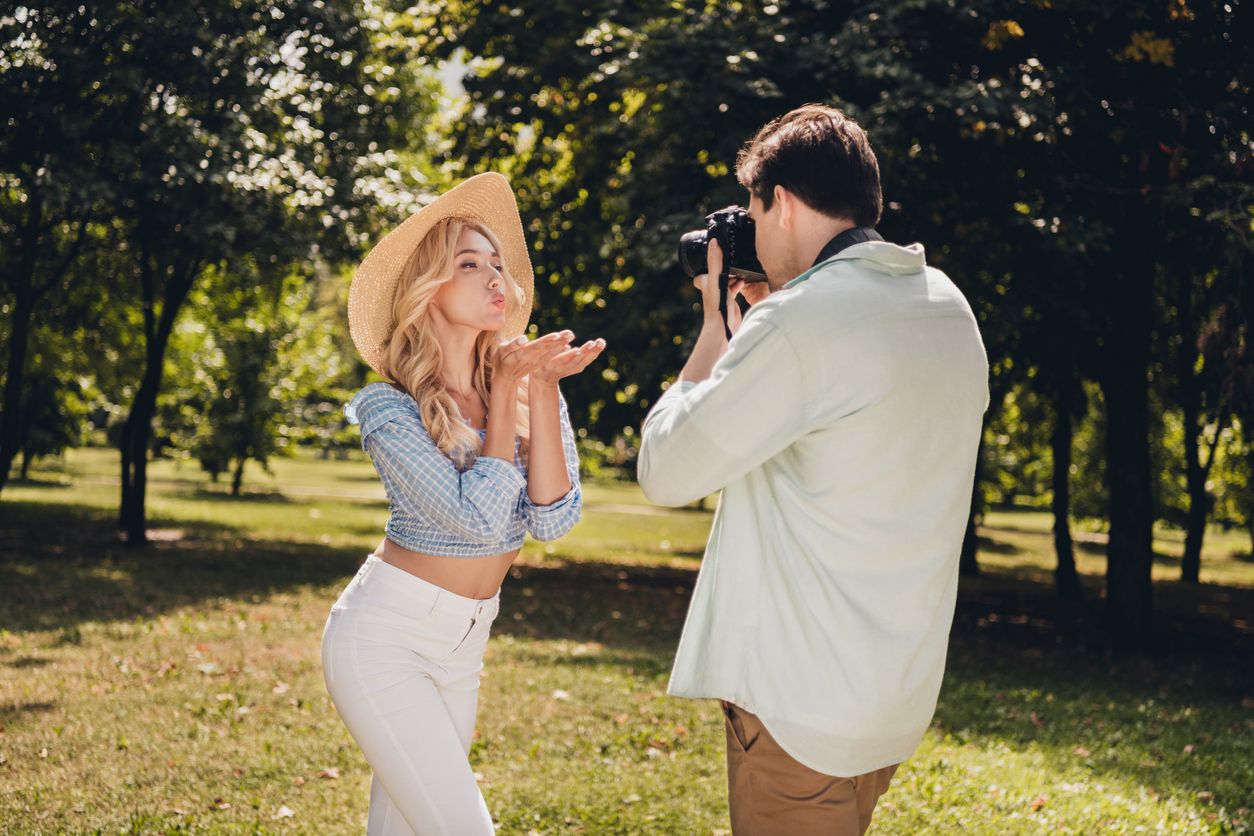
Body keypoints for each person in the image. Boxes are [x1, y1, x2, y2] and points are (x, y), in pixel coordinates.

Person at [637, 104, 990, 835]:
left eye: (756, 210)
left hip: (802, 712)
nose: (754, 234)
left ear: (785, 204)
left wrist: (714, 332)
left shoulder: (801, 324)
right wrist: (774, 324)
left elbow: (665, 471)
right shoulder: (947, 306)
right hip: (891, 700)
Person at [321, 172, 605, 835]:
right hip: (384, 642)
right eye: (469, 265)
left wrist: (536, 391)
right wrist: (508, 391)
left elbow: (555, 518)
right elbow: (477, 519)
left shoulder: (526, 379)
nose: (494, 277)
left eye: (497, 263)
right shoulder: (388, 409)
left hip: (464, 648)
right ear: (429, 290)